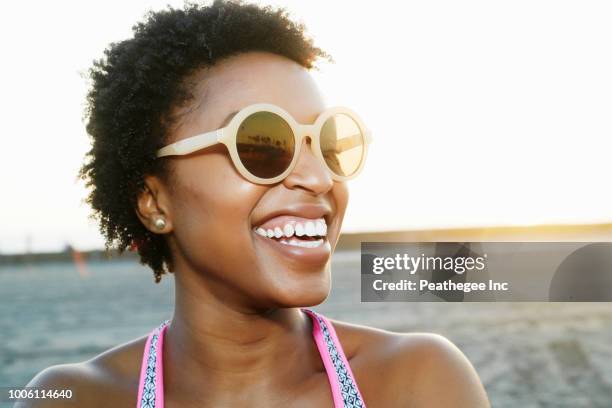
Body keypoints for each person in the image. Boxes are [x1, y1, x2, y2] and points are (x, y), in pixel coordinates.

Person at [20, 1, 490, 406]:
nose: (318, 177)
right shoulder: (74, 399)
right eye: (262, 145)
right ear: (153, 200)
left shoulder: (417, 381)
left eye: (327, 143)